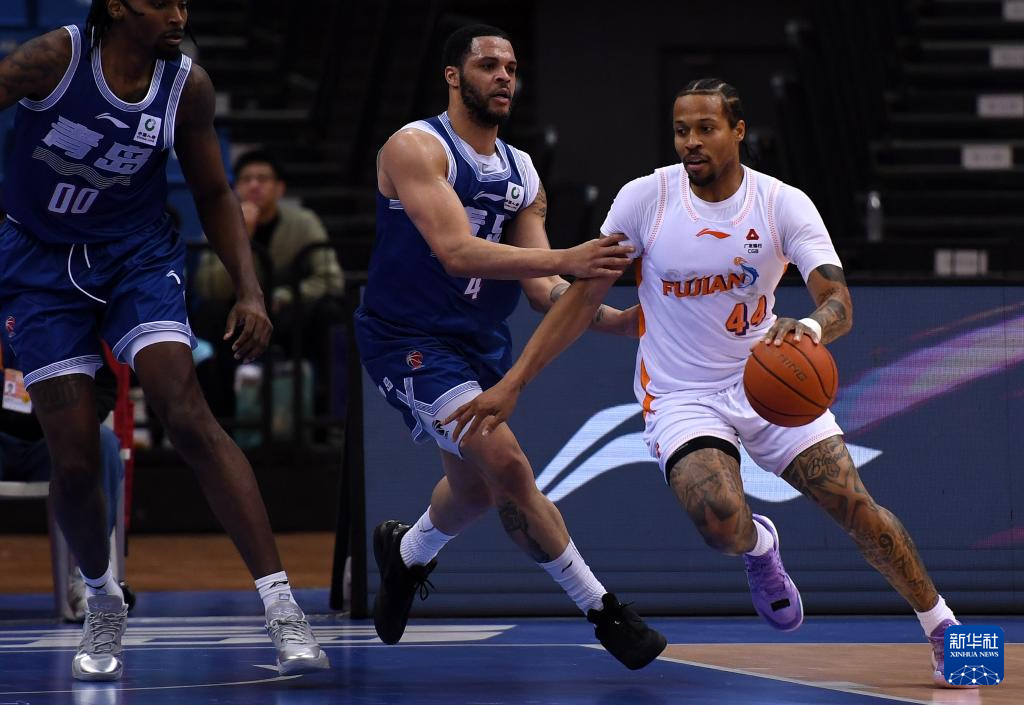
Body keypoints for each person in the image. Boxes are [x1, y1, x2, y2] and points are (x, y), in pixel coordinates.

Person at [447, 78, 973, 689]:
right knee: (721, 521)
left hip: (769, 379)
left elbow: (838, 302)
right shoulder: (645, 200)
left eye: (705, 129)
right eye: (681, 131)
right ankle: (760, 548)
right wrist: (515, 382)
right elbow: (582, 300)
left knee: (859, 510)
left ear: (737, 131)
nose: (690, 142)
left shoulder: (781, 203)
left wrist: (807, 327)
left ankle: (946, 629)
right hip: (681, 395)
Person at [0, 1, 327, 681]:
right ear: (119, 6)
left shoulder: (187, 85)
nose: (180, 13)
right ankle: (102, 599)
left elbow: (213, 191)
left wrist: (250, 290)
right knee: (74, 458)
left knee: (186, 410)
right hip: (38, 263)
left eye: (184, 1)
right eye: (163, 2)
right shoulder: (53, 60)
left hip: (136, 257)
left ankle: (283, 607)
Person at [354, 24, 666, 670]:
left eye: (512, 68)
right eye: (489, 64)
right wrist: (571, 255)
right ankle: (604, 611)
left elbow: (542, 287)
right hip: (407, 340)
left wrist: (617, 320)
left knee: (471, 493)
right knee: (510, 466)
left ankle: (406, 554)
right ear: (453, 76)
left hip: (479, 344)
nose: (503, 76)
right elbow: (455, 250)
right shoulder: (416, 148)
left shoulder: (522, 172)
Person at [192, 149, 345, 422]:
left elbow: (330, 279)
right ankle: (221, 421)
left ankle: (330, 419)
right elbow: (209, 287)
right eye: (246, 179)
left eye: (263, 179)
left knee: (329, 313)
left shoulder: (303, 223)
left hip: (288, 314)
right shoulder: (219, 224)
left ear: (280, 188)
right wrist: (243, 238)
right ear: (235, 189)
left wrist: (284, 295)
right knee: (208, 314)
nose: (254, 185)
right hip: (236, 319)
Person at [0, 348, 126, 622]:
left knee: (102, 442)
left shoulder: (66, 327)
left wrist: (74, 421)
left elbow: (104, 388)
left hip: (54, 441)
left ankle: (90, 580)